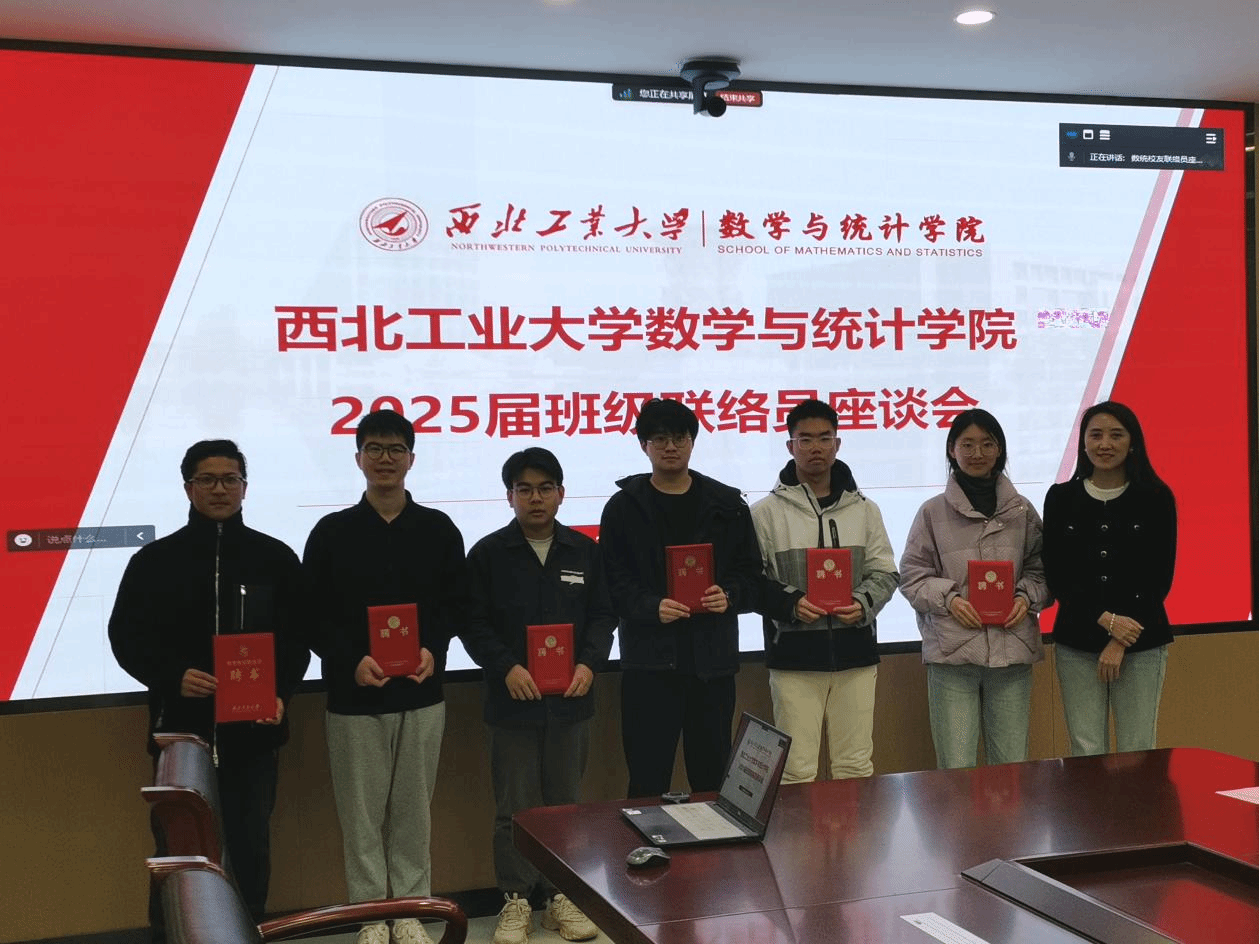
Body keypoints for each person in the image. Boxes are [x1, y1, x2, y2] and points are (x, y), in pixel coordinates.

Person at [109, 439, 309, 937]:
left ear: (245, 487)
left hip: (254, 735)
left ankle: (249, 931)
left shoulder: (275, 557)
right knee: (179, 851)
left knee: (251, 849)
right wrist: (171, 675)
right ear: (188, 488)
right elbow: (125, 637)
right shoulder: (155, 560)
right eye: (207, 479)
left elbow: (298, 640)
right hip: (181, 738)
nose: (220, 489)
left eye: (230, 479)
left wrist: (281, 693)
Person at [302, 409, 469, 944]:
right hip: (354, 697)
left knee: (413, 813)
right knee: (362, 817)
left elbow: (456, 604)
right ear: (358, 458)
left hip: (422, 692)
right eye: (374, 448)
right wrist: (349, 658)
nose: (385, 458)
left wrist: (433, 648)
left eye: (395, 449)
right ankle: (371, 916)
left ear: (411, 459)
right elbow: (311, 615)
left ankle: (411, 912)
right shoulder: (331, 532)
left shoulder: (438, 529)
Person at [464, 447, 613, 944]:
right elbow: (473, 623)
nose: (535, 498)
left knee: (564, 806)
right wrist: (505, 666)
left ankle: (559, 897)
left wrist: (590, 663)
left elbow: (603, 616)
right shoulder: (488, 554)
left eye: (545, 488)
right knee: (515, 809)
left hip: (572, 700)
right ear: (509, 496)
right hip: (512, 702)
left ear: (561, 494)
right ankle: (516, 900)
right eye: (524, 489)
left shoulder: (585, 550)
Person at [598, 398, 776, 798]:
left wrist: (729, 595)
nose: (670, 447)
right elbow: (611, 583)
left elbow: (752, 576)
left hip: (711, 665)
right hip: (649, 665)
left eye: (679, 437)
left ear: (693, 442)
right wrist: (650, 607)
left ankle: (712, 843)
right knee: (647, 779)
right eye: (659, 439)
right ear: (643, 445)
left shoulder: (727, 505)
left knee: (712, 778)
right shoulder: (623, 508)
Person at [750, 399, 899, 782]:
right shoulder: (766, 513)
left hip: (855, 656)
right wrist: (790, 603)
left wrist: (862, 603)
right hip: (794, 658)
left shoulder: (864, 509)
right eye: (805, 439)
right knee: (796, 771)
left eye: (824, 438)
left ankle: (855, 829)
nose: (815, 447)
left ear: (837, 443)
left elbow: (885, 572)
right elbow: (751, 581)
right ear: (790, 446)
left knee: (855, 767)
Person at [898, 409, 1051, 769]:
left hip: (1011, 651)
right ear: (952, 450)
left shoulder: (1022, 511)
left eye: (987, 444)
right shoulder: (932, 512)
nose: (977, 453)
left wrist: (1025, 596)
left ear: (1000, 450)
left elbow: (1043, 570)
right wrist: (949, 599)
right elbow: (911, 575)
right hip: (953, 654)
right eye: (967, 444)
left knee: (1011, 769)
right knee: (956, 770)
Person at [1042, 401, 1177, 756]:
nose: (1105, 444)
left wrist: (1120, 638)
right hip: (1077, 641)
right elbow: (1058, 572)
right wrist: (1105, 619)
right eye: (1096, 435)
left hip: (1141, 641)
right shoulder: (1061, 498)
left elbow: (1158, 577)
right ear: (1083, 442)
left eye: (1116, 435)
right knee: (1085, 749)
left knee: (1138, 748)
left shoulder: (1156, 497)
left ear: (1132, 443)